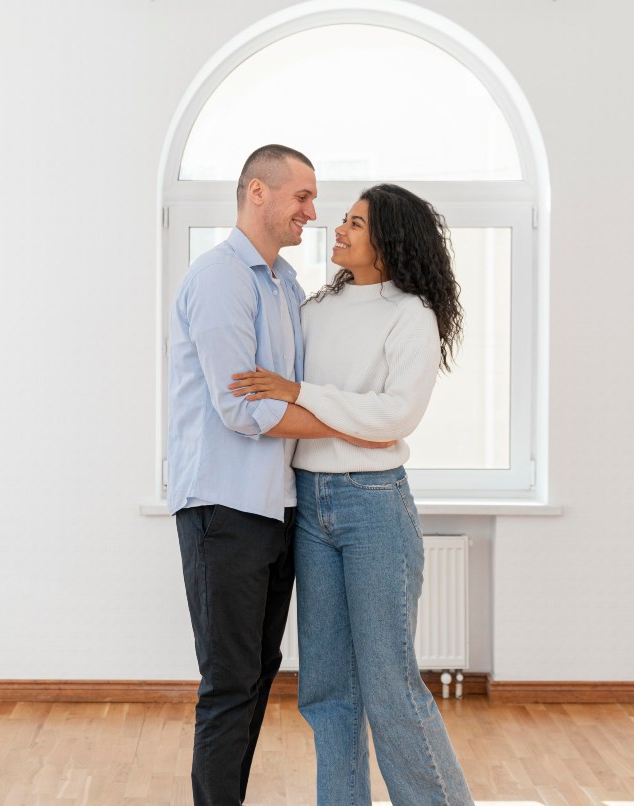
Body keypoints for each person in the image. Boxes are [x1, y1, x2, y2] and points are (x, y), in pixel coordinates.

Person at [229, 184, 475, 805]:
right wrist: (334, 414)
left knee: (390, 685)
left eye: (355, 223)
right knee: (326, 691)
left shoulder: (412, 314)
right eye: (342, 220)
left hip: (374, 507)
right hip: (312, 504)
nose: (337, 229)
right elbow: (351, 418)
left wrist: (300, 394)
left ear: (389, 243)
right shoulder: (315, 309)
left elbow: (393, 419)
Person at [167, 145, 390, 806]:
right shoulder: (219, 279)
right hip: (223, 509)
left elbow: (296, 392)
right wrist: (354, 422)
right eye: (302, 196)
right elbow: (243, 408)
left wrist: (318, 403)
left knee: (259, 672)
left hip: (275, 508)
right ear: (257, 194)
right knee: (230, 680)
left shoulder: (285, 284)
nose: (312, 213)